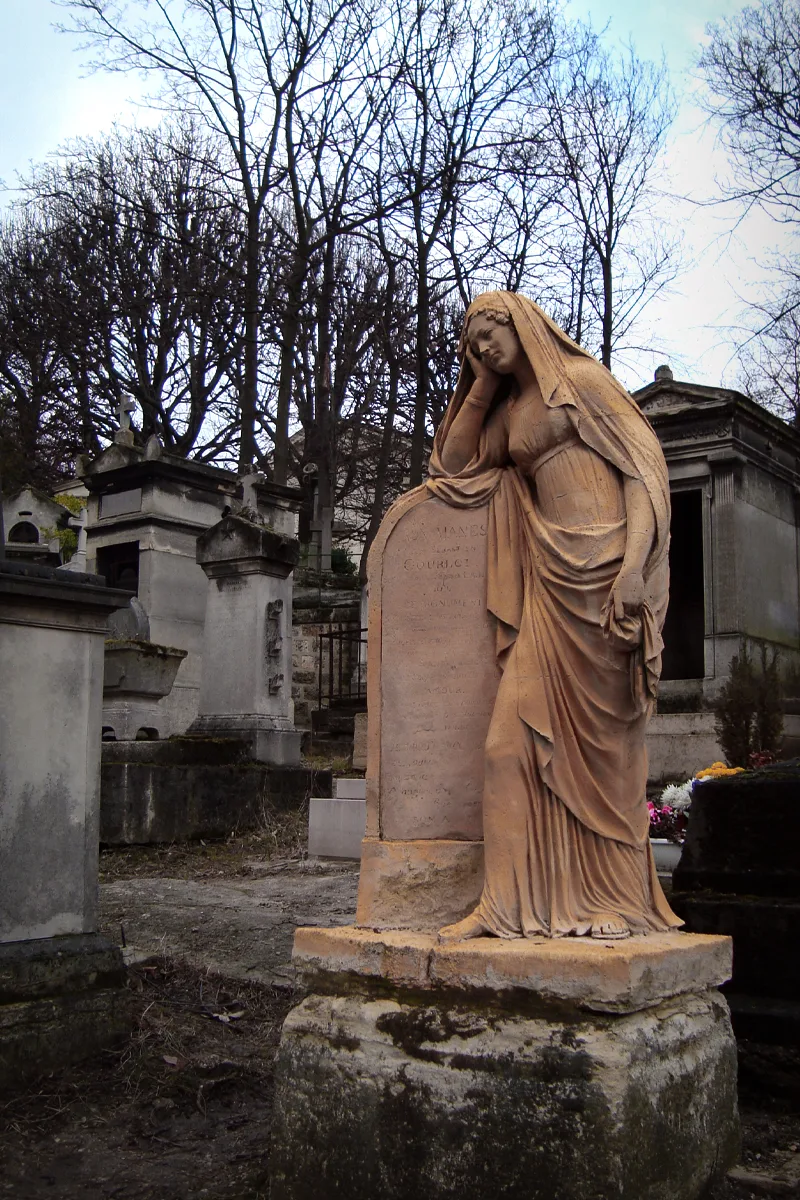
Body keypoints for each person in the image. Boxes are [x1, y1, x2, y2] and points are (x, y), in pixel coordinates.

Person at [430, 290, 682, 941]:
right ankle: (504, 904)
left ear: (524, 323)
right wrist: (480, 386)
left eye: (493, 332)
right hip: (547, 587)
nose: (485, 345)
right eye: (475, 341)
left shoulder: (586, 383)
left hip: (604, 579)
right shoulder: (509, 407)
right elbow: (454, 466)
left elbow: (643, 475)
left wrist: (632, 569)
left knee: (605, 757)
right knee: (505, 747)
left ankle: (615, 902)